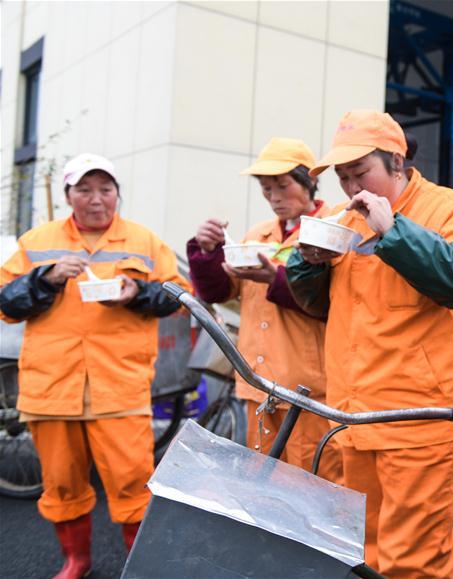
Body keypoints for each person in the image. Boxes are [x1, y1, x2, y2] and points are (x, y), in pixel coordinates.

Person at [286, 110, 453, 578]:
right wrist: (309, 263)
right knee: (364, 555)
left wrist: (394, 231)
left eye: (360, 172)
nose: (350, 187)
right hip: (353, 419)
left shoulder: (448, 208)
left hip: (420, 423)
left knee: (416, 563)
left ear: (397, 162)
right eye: (342, 177)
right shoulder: (346, 221)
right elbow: (319, 306)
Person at [0, 153, 189, 579]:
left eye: (105, 189)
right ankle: (76, 562)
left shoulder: (144, 241)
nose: (96, 198)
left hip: (119, 386)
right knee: (62, 482)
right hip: (52, 386)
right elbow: (4, 303)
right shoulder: (38, 241)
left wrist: (135, 291)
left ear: (117, 193)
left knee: (133, 483)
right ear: (69, 195)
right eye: (84, 189)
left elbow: (179, 297)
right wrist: (43, 278)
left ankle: (140, 567)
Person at [186, 138, 342, 483]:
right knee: (264, 487)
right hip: (259, 386)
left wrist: (277, 280)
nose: (273, 196)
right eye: (265, 188)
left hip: (311, 390)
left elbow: (337, 303)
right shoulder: (259, 234)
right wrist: (207, 252)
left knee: (312, 490)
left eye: (282, 185)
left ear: (309, 181)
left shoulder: (334, 228)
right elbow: (219, 291)